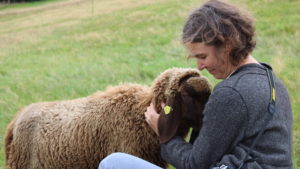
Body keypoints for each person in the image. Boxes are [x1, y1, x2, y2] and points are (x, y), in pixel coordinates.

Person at [99, 0, 293, 169]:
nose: (199, 66)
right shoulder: (272, 80)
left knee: (113, 163)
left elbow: (194, 164)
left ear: (226, 45)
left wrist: (164, 133)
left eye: (203, 56)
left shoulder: (231, 93)